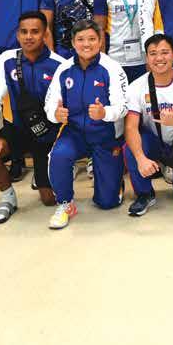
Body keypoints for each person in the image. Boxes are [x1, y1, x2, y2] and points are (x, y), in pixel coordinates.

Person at [0, 11, 65, 224]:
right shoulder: (7, 60)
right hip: (17, 130)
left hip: (47, 135)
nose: (28, 37)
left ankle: (43, 174)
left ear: (45, 34)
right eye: (23, 32)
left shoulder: (60, 65)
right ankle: (8, 198)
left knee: (49, 200)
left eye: (35, 32)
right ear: (17, 35)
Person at [44, 19, 129, 229]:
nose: (86, 44)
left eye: (92, 39)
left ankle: (114, 181)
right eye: (81, 39)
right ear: (73, 43)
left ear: (100, 41)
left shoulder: (112, 68)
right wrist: (55, 114)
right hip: (74, 133)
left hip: (105, 134)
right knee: (58, 156)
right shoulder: (64, 69)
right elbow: (50, 104)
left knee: (107, 203)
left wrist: (104, 113)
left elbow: (123, 106)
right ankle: (65, 204)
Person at [123, 33, 173, 216]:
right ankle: (145, 194)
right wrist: (141, 158)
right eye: (153, 53)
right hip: (153, 141)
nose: (159, 58)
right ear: (147, 58)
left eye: (164, 52)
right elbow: (130, 127)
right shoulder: (136, 87)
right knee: (132, 147)